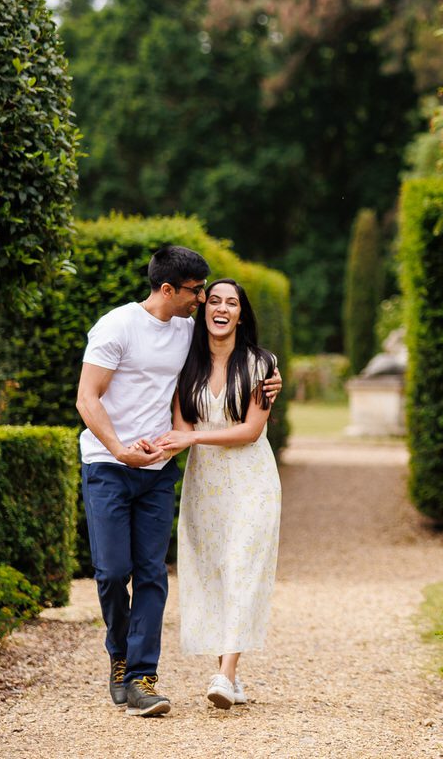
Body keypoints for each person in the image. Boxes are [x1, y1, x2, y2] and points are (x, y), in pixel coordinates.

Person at [75, 246, 279, 718]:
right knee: (111, 573)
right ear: (168, 289)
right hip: (107, 465)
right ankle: (120, 655)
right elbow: (87, 398)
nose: (204, 300)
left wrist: (272, 379)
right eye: (197, 291)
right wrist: (119, 449)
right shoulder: (116, 327)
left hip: (158, 471)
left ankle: (142, 677)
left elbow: (238, 354)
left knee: (151, 574)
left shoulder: (189, 331)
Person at [153, 278, 281, 710]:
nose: (222, 308)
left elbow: (251, 431)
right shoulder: (186, 366)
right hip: (205, 484)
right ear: (204, 309)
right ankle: (231, 672)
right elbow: (180, 430)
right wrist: (152, 448)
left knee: (242, 566)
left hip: (252, 480)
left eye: (232, 303)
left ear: (241, 315)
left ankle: (224, 676)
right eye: (215, 301)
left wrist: (191, 439)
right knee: (213, 573)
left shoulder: (261, 364)